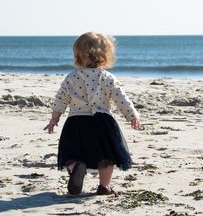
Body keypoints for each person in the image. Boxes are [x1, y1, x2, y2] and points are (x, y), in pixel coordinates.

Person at [44, 32, 140, 196]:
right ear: (105, 56)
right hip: (102, 123)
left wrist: (54, 119)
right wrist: (132, 115)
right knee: (106, 157)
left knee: (71, 153)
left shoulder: (71, 77)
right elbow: (120, 98)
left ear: (78, 56)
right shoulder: (108, 77)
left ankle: (76, 168)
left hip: (76, 122)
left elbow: (60, 99)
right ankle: (104, 187)